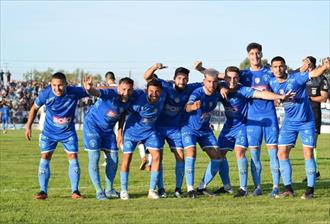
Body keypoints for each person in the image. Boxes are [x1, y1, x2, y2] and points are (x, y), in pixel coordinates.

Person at [194, 43, 281, 197]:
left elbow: (261, 94)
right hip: (228, 127)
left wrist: (279, 96)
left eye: (235, 78)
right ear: (225, 79)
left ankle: (244, 188)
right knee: (219, 155)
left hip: (243, 126)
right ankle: (217, 186)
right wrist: (202, 70)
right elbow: (213, 78)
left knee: (240, 152)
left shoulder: (243, 89)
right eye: (229, 78)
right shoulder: (220, 88)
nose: (232, 81)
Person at [269, 56, 330, 199]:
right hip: (289, 123)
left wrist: (325, 67)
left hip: (306, 122)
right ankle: (288, 188)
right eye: (275, 67)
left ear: (285, 67)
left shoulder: (296, 78)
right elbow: (272, 96)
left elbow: (313, 73)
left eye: (281, 66)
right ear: (272, 69)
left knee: (308, 154)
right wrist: (276, 99)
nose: (278, 69)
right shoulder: (272, 82)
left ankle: (309, 190)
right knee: (281, 153)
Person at [25, 72, 90, 200]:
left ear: (66, 84)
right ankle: (43, 191)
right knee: (45, 156)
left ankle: (75, 191)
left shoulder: (74, 91)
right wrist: (28, 126)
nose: (57, 88)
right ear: (51, 85)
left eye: (60, 85)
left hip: (68, 133)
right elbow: (34, 108)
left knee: (73, 157)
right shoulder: (46, 94)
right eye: (54, 85)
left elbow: (93, 92)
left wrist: (89, 88)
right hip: (49, 132)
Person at [143, 63, 202, 198]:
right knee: (159, 157)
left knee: (180, 156)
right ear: (174, 78)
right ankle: (161, 188)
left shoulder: (190, 88)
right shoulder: (166, 86)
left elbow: (209, 81)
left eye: (185, 79)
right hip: (158, 127)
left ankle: (178, 188)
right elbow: (147, 77)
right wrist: (155, 67)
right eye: (180, 78)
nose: (182, 81)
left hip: (175, 128)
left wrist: (201, 69)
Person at [82, 76, 136, 200]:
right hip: (92, 126)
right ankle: (99, 192)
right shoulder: (110, 93)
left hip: (108, 131)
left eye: (129, 90)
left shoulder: (130, 99)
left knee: (114, 159)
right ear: (118, 88)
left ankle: (109, 189)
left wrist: (120, 132)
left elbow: (123, 114)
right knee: (95, 157)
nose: (126, 93)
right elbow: (97, 92)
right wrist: (90, 89)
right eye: (123, 89)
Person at [118, 79, 166, 200]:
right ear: (146, 91)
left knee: (157, 157)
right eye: (151, 91)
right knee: (127, 159)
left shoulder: (163, 98)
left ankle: (152, 191)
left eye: (157, 91)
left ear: (161, 92)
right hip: (131, 133)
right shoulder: (138, 103)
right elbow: (123, 114)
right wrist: (120, 133)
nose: (153, 94)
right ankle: (123, 190)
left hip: (149, 133)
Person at [182, 68, 226, 198]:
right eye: (209, 81)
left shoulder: (218, 92)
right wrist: (192, 107)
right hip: (189, 129)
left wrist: (223, 86)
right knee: (191, 153)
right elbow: (187, 106)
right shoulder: (197, 93)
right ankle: (190, 189)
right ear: (204, 81)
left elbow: (228, 81)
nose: (212, 84)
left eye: (214, 82)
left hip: (205, 130)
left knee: (218, 158)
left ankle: (201, 187)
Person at [304, 56, 329, 181]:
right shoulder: (302, 76)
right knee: (305, 145)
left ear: (311, 64)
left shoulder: (321, 78)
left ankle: (315, 172)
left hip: (314, 113)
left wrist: (310, 99)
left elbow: (324, 97)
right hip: (301, 114)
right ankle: (312, 172)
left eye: (305, 62)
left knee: (312, 144)